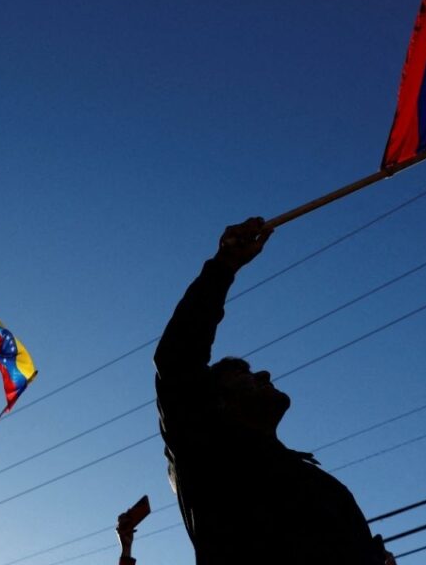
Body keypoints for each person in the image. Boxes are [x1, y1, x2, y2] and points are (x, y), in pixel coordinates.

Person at [154, 216, 387, 564]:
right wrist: (225, 265)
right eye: (240, 374)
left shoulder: (325, 486)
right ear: (215, 403)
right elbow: (178, 359)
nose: (263, 372)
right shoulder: (208, 456)